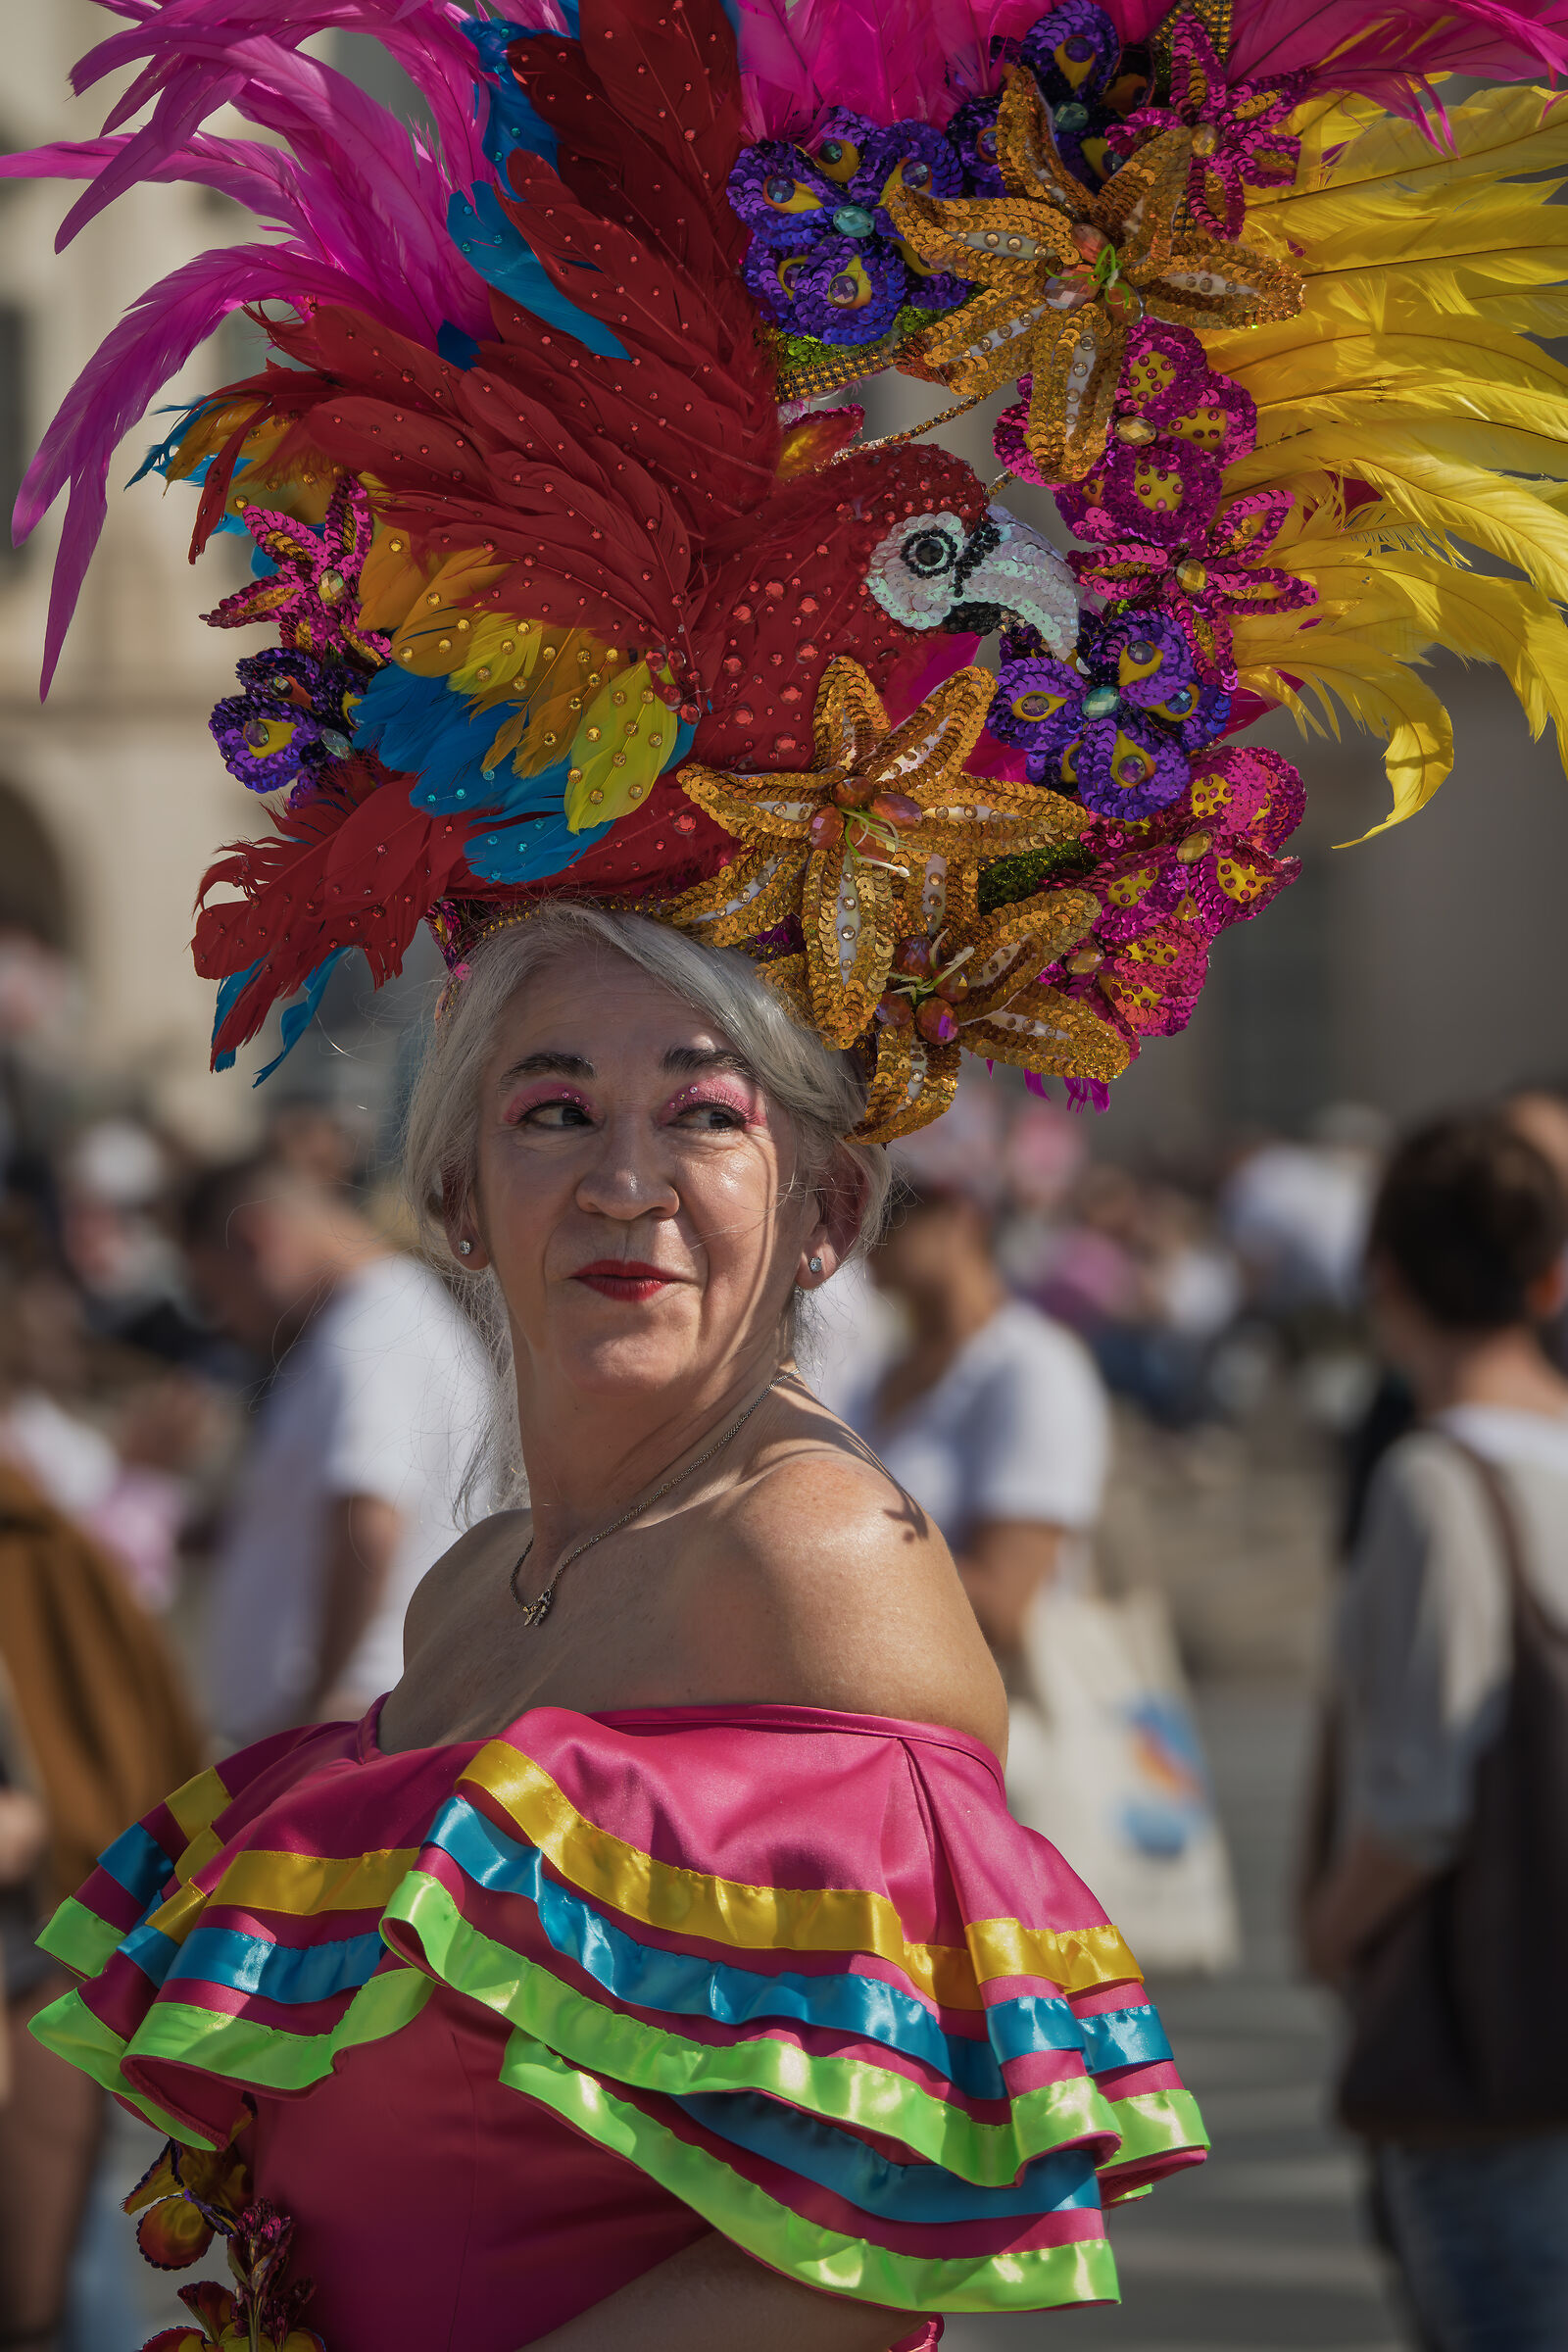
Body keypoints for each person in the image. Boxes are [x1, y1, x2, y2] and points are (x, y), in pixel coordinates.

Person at [34, 908, 1206, 2351]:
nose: (626, 1181)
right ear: (458, 1196)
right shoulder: (467, 1593)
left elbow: (856, 2243)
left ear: (827, 1213)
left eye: (705, 1114)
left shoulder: (810, 1554)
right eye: (556, 1110)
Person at [1301, 1114, 1568, 2350]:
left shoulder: (1432, 1482)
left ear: (1385, 1275)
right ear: (1548, 1280)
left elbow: (1417, 1796)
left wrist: (1329, 1934)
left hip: (1483, 2042)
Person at [180, 1155, 494, 1745]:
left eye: (214, 1292)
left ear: (257, 1241)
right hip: (343, 1725)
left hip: (344, 1727)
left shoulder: (372, 1332)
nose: (224, 1321)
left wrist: (314, 1701)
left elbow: (369, 1524)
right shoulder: (364, 1324)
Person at [849, 1175, 1110, 1664]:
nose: (867, 1228)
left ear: (962, 1219)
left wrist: (828, 1554)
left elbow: (1005, 1608)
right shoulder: (878, 1375)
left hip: (992, 1714)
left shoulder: (1034, 1366)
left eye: (896, 1209)